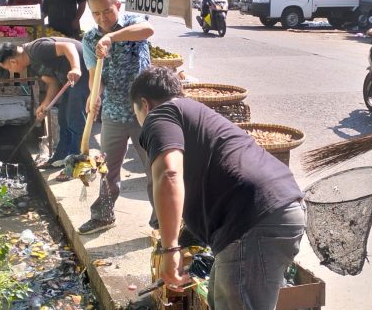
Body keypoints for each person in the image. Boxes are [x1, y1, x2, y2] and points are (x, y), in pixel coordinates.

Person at [129, 66, 305, 310]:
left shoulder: (160, 115)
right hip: (278, 205)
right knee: (219, 300)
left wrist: (170, 249)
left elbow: (169, 173)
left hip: (255, 218)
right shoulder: (195, 111)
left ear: (144, 104)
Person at [77, 0, 156, 234]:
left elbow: (148, 29)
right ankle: (103, 215)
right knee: (107, 168)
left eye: (107, 11)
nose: (102, 18)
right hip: (113, 111)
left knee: (156, 169)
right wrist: (94, 95)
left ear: (117, 6)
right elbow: (94, 75)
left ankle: (163, 221)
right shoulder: (89, 38)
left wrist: (111, 37)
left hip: (145, 111)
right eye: (96, 13)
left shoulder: (132, 22)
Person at [0, 38, 90, 167]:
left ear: (13, 61)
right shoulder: (32, 64)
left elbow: (68, 46)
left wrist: (75, 68)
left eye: (8, 68)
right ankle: (60, 158)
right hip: (70, 80)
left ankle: (76, 163)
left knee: (74, 117)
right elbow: (52, 82)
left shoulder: (36, 49)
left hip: (84, 72)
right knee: (63, 118)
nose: (10, 71)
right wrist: (45, 105)